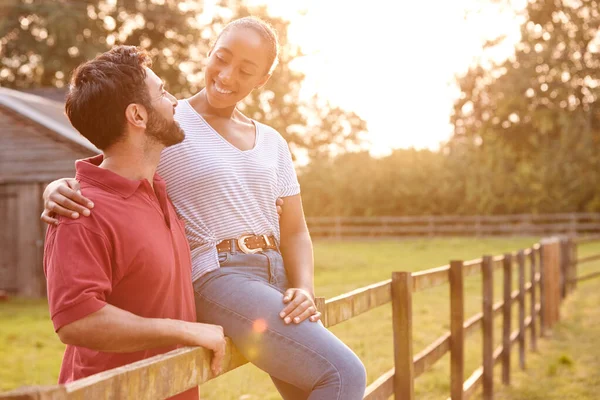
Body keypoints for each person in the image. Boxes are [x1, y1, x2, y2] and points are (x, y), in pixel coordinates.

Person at [42, 17, 366, 399]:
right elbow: (115, 154)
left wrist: (304, 288)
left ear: (262, 79)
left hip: (275, 272)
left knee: (310, 387)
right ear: (209, 52)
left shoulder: (271, 142)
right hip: (221, 272)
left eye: (246, 70)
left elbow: (295, 228)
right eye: (222, 58)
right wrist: (56, 187)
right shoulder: (174, 124)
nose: (228, 75)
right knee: (344, 374)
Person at [43, 46, 227, 400]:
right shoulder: (80, 211)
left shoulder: (159, 190)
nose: (174, 101)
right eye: (162, 92)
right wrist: (186, 331)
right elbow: (77, 322)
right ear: (138, 115)